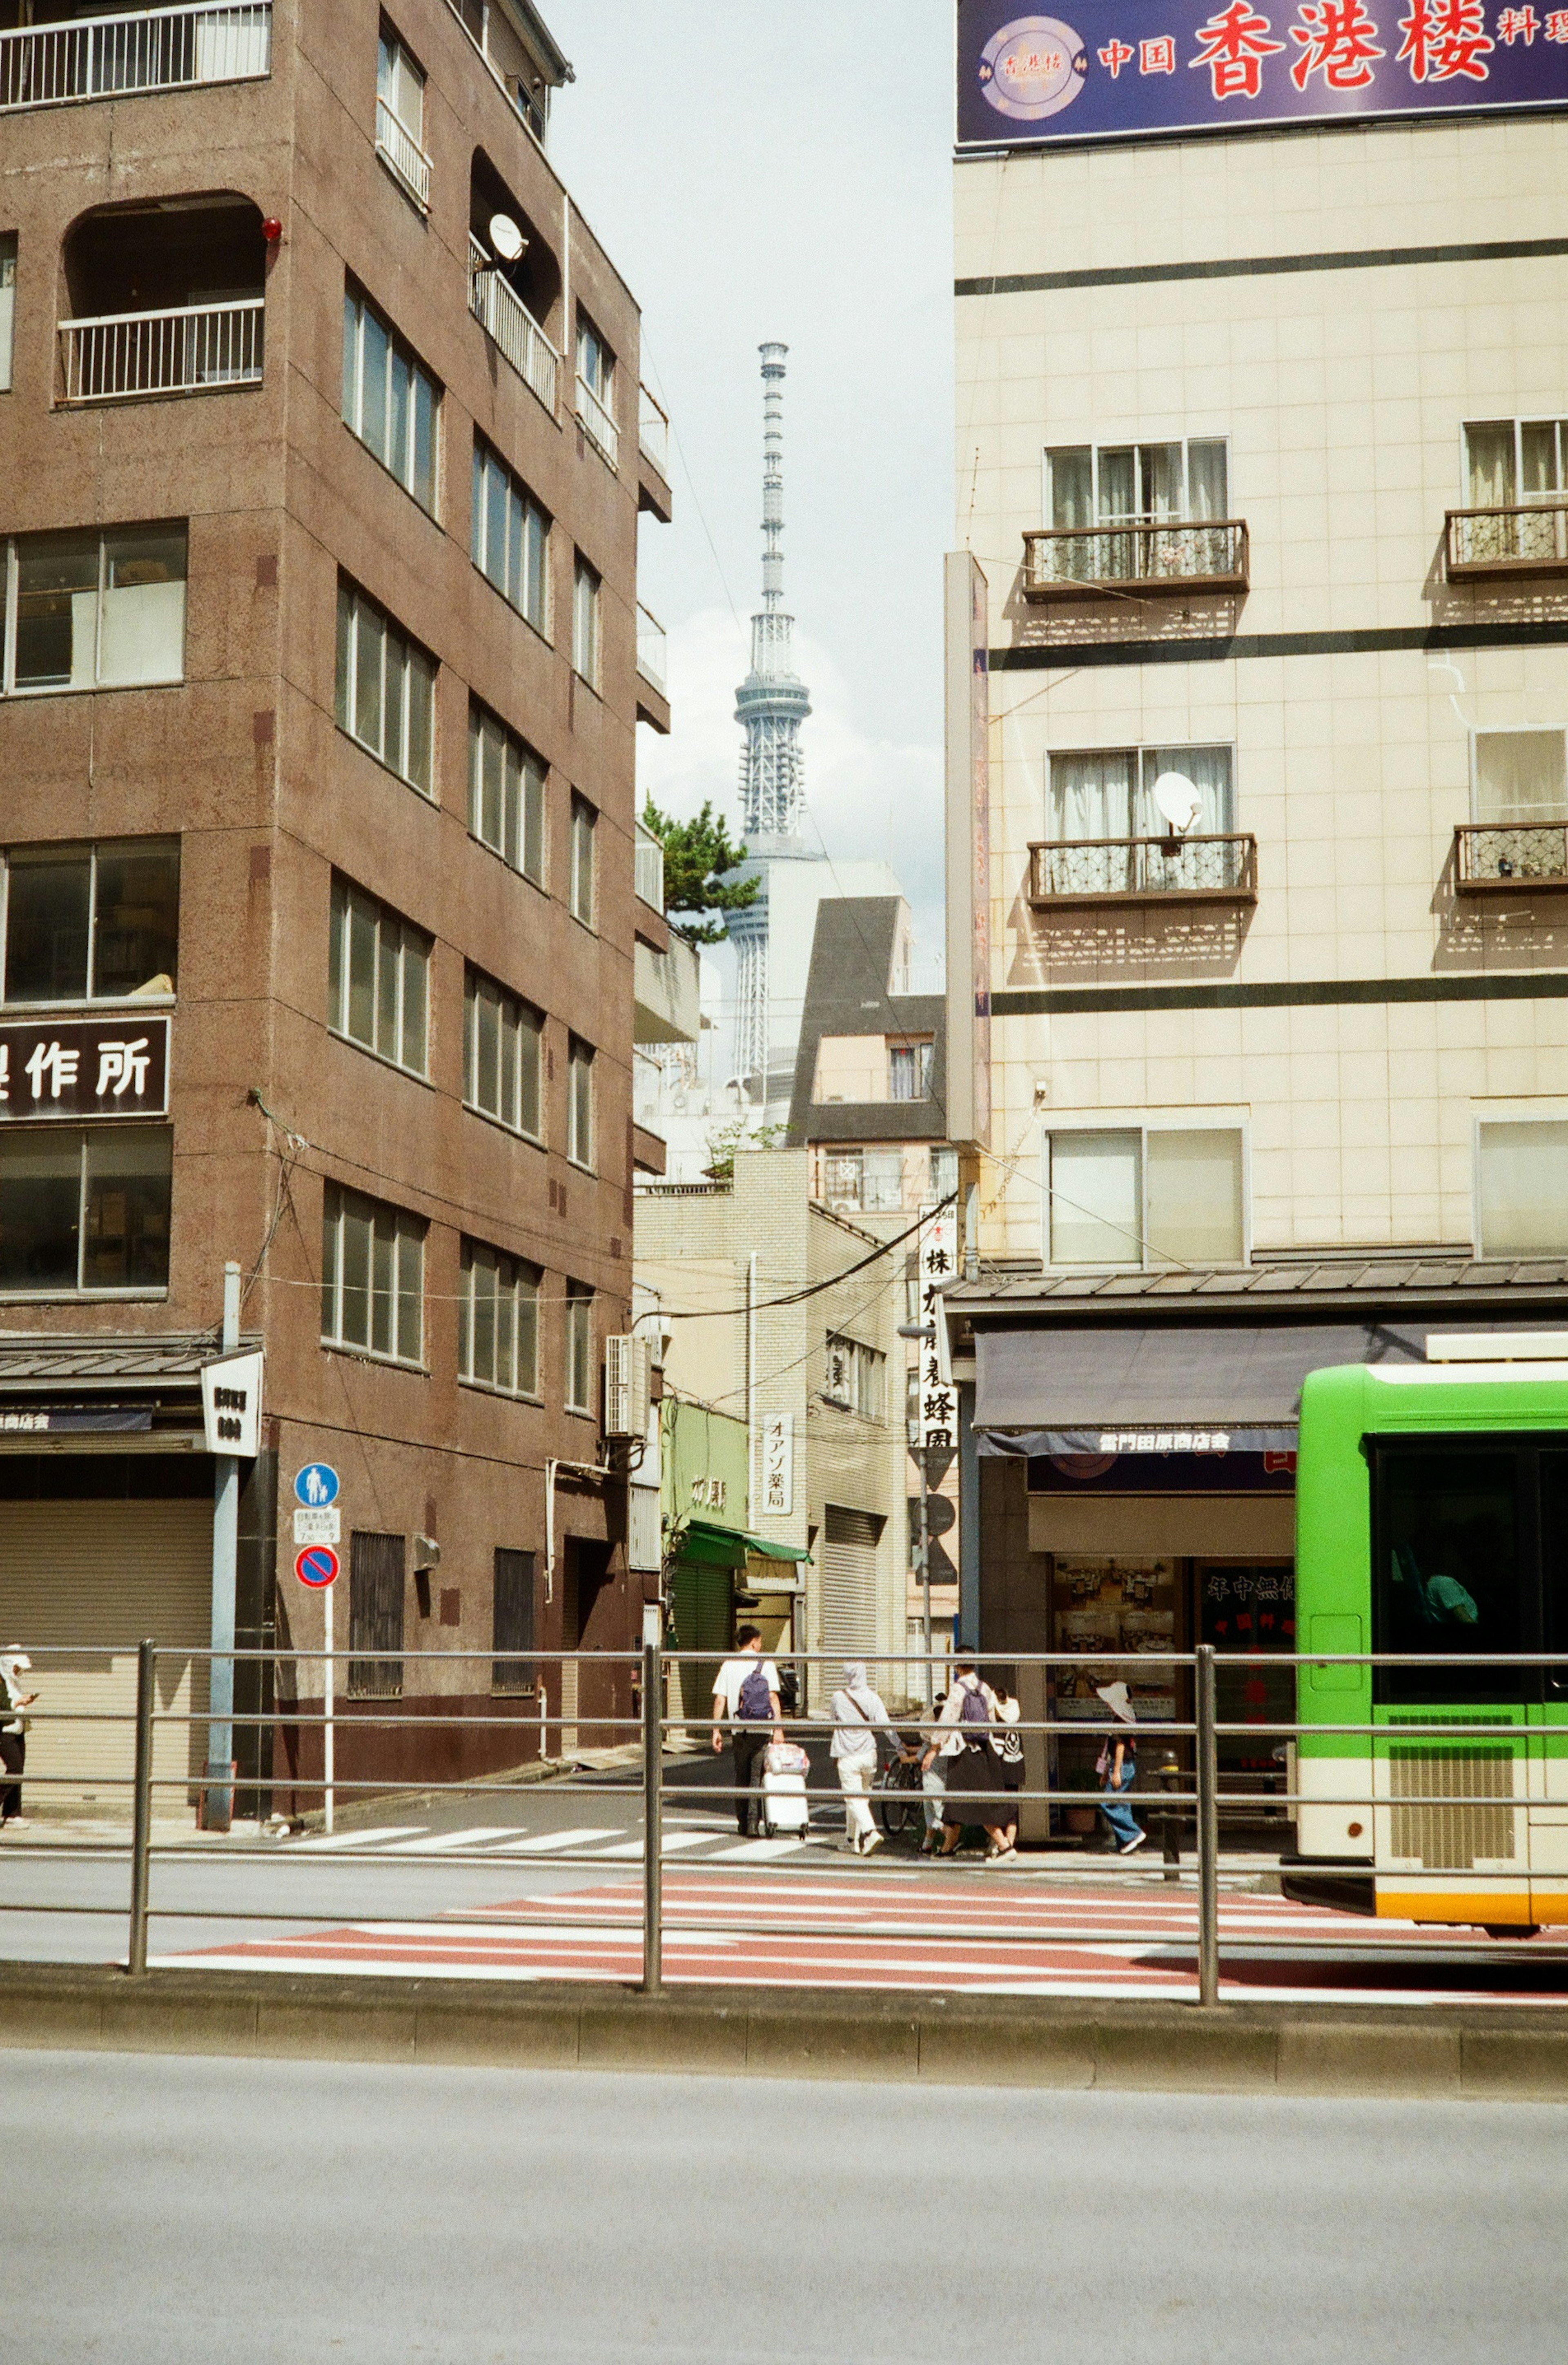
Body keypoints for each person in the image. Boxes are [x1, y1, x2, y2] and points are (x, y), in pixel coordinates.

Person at [919, 1659, 1006, 1858]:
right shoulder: (985, 1689)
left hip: (963, 1753)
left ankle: (1004, 1846)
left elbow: (947, 1720)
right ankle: (947, 1849)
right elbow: (992, 1721)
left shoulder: (958, 1689)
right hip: (983, 1749)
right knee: (956, 1803)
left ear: (958, 1667)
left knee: (965, 1801)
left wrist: (934, 1749)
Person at [710, 1626, 783, 1836]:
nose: (761, 1645)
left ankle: (742, 1823)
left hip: (738, 1730)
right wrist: (778, 1730)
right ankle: (753, 1824)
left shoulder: (729, 1665)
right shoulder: (766, 1664)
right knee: (756, 1777)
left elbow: (720, 1699)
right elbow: (773, 1698)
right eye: (759, 1641)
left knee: (741, 1776)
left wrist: (716, 1730)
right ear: (753, 1642)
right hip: (761, 1730)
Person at [829, 1661, 906, 1855]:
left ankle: (870, 1833)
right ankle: (851, 1840)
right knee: (860, 1800)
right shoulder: (873, 1698)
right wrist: (900, 1747)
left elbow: (832, 1721)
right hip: (869, 1754)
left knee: (854, 1799)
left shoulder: (838, 1697)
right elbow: (887, 1727)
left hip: (848, 1755)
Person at [1096, 1679, 1145, 1855]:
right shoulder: (1127, 1717)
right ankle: (1125, 1845)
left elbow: (1119, 1746)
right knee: (1122, 1804)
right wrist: (1105, 1771)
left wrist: (1115, 1771)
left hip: (1122, 1765)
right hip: (1128, 1765)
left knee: (1108, 1803)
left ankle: (1133, 1834)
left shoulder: (1120, 1721)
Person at [0, 1648, 36, 1830]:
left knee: (19, 1770)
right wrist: (18, 1702)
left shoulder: (14, 1683)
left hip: (17, 1731)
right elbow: (3, 1704)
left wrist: (24, 1701)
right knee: (14, 1767)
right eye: (16, 1667)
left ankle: (12, 1813)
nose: (18, 1671)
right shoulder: (1, 1680)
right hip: (4, 1731)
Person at [989, 1688, 1025, 1862]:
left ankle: (1005, 1847)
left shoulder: (998, 1728)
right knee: (1012, 1813)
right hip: (1016, 1771)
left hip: (1001, 1773)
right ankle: (1010, 1845)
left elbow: (996, 1751)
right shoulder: (1015, 1725)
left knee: (997, 1812)